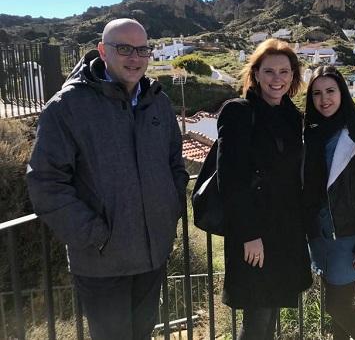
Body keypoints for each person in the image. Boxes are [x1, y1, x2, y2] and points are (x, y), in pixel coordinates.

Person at [27, 18, 189, 340]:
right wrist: (96, 235)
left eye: (142, 49)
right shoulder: (67, 106)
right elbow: (46, 182)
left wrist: (168, 211)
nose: (135, 58)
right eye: (124, 48)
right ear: (102, 51)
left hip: (151, 255)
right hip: (102, 262)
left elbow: (175, 162)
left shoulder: (158, 101)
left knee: (142, 334)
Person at [217, 38, 312, 339]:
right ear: (256, 73)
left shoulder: (292, 116)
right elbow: (230, 178)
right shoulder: (238, 112)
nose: (277, 79)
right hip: (254, 233)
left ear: (293, 76)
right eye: (269, 71)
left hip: (285, 232)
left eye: (284, 72)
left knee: (270, 314)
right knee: (256, 320)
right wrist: (249, 234)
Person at [303, 65, 355, 340]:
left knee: (336, 305)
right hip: (320, 236)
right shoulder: (310, 133)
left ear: (342, 92)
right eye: (316, 93)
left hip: (350, 238)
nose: (324, 99)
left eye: (330, 91)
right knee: (339, 311)